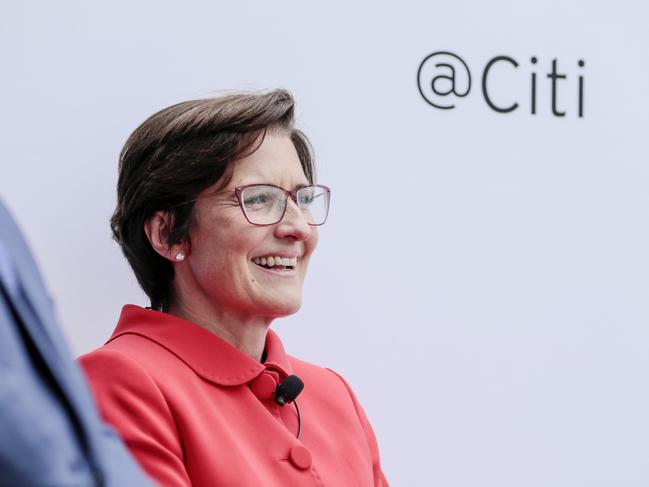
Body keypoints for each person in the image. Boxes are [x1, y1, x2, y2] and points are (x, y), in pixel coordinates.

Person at [79, 89, 388, 486]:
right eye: (259, 199)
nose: (297, 228)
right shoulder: (118, 382)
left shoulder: (333, 396)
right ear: (169, 234)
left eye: (302, 199)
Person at [0, 199, 152, 486]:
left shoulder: (4, 221)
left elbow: (90, 438)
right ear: (168, 233)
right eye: (255, 199)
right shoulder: (126, 375)